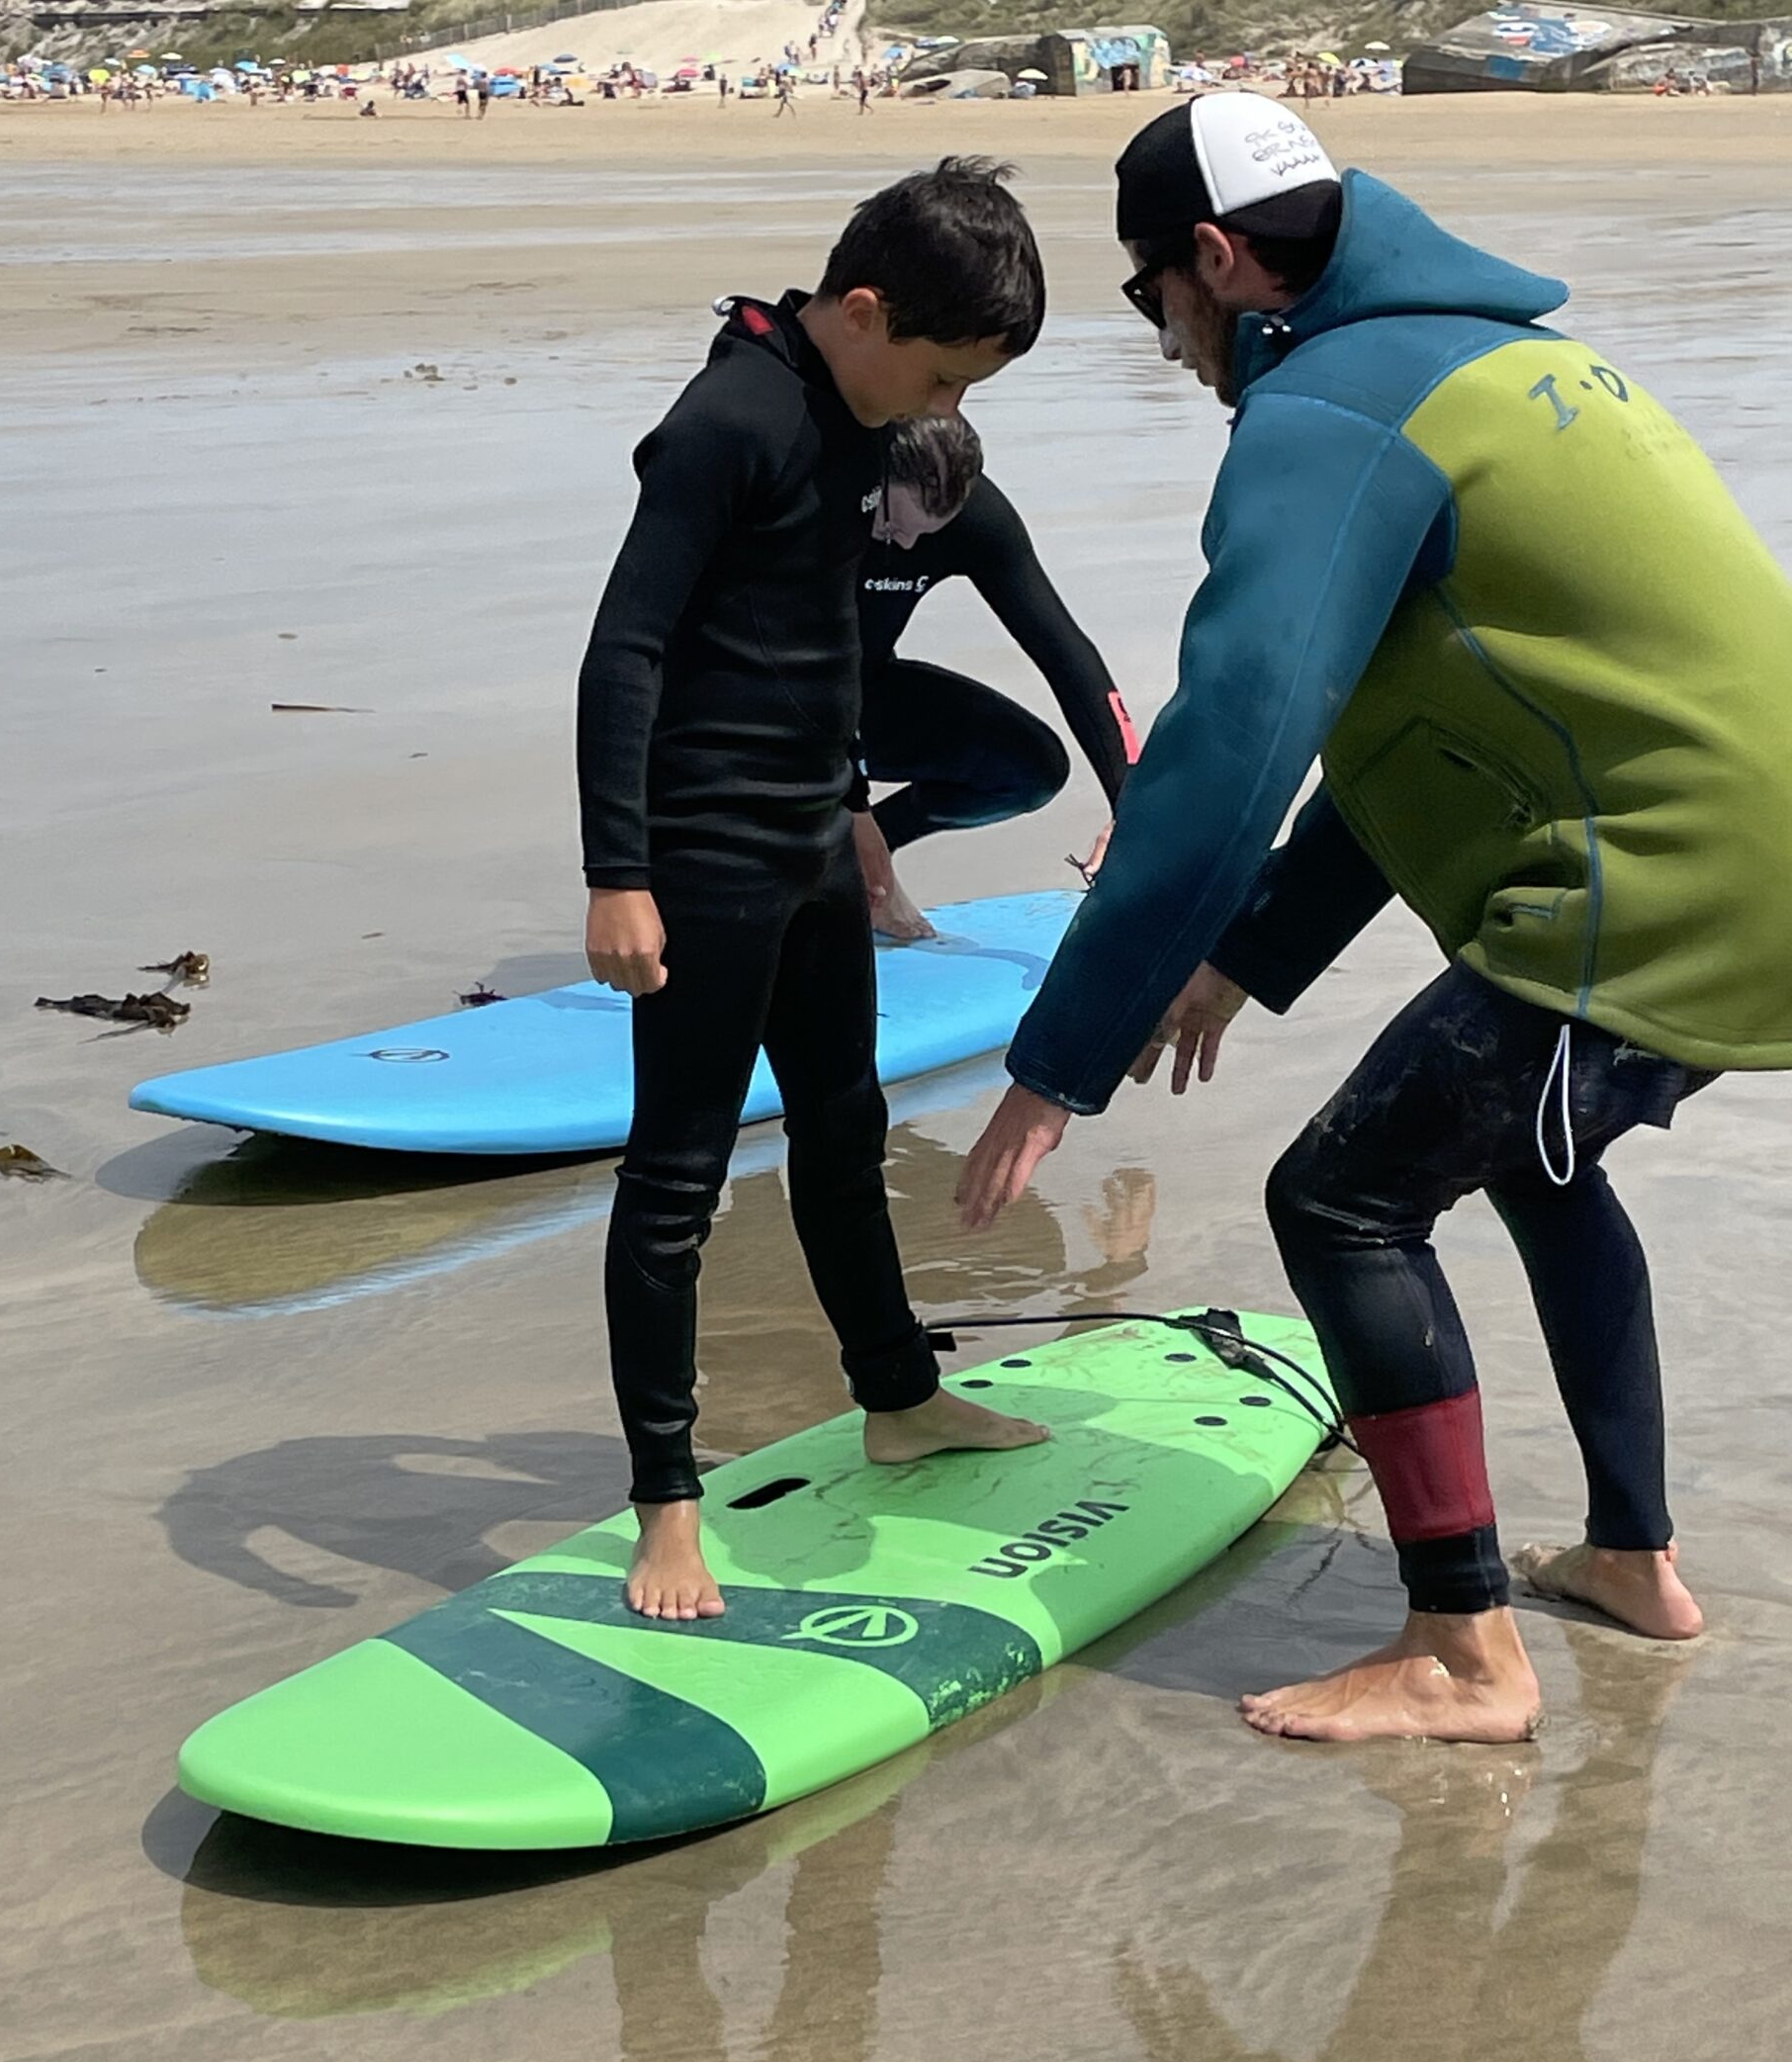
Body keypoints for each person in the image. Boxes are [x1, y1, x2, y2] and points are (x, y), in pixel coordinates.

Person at [957, 92, 1792, 1742]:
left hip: (1651, 879)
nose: (1167, 341)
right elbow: (1400, 745)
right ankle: (1633, 1561)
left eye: (1151, 299)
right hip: (1736, 861)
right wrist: (1247, 953)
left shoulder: (1332, 406)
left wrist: (1065, 1058)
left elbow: (1231, 741)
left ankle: (1461, 1650)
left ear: (1215, 260)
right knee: (1541, 1171)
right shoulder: (1504, 365)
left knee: (1340, 1198)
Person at [578, 158, 1053, 1622]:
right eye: (939, 372)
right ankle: (668, 1500)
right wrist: (618, 875)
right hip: (704, 862)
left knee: (845, 1134)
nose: (943, 408)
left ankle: (898, 1397)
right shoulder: (730, 422)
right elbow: (626, 651)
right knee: (676, 1183)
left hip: (804, 850)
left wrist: (851, 817)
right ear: (861, 309)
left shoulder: (860, 421)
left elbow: (817, 649)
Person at [850, 412, 1137, 941]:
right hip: (759, 704)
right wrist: (849, 801)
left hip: (860, 690)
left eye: (926, 535)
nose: (904, 546)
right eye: (892, 525)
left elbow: (1065, 653)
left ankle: (859, 857)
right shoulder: (823, 493)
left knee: (1030, 767)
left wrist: (1134, 806)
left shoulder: (979, 518)